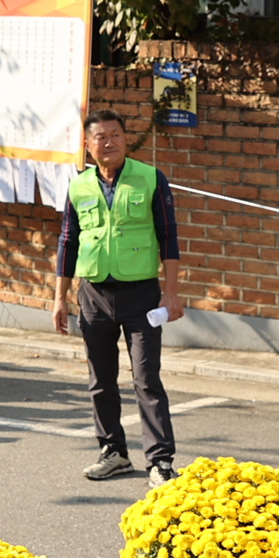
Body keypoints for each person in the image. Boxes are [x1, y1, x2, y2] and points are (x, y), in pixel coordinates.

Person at [54, 110, 182, 486]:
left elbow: (169, 236)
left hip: (141, 292)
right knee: (100, 378)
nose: (108, 142)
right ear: (87, 145)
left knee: (146, 378)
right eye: (100, 137)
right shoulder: (79, 186)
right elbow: (67, 242)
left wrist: (171, 293)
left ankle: (160, 461)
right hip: (92, 293)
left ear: (126, 139)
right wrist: (59, 297)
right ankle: (113, 451)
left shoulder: (150, 178)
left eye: (115, 135)